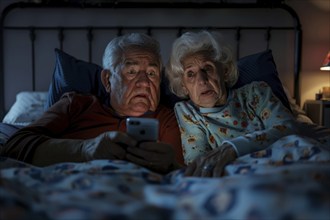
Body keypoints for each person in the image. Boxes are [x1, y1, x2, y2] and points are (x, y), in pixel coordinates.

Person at [1, 33, 184, 174]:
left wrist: (170, 165)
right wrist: (85, 150)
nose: (144, 82)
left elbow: (182, 178)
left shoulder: (167, 118)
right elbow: (15, 146)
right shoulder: (76, 104)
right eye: (132, 71)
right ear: (107, 80)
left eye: (152, 74)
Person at [165, 30, 298, 177]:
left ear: (225, 71)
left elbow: (289, 128)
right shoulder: (187, 112)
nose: (202, 80)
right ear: (184, 86)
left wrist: (233, 148)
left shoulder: (255, 93)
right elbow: (198, 162)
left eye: (207, 68)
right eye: (190, 74)